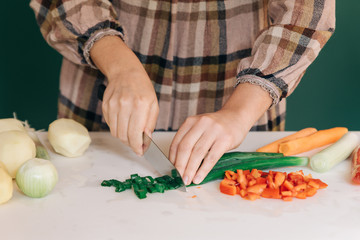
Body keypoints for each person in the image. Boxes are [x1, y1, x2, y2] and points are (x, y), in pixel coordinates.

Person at [30, 0, 335, 185]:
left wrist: (237, 113)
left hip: (242, 102)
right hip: (103, 85)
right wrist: (119, 65)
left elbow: (308, 13)